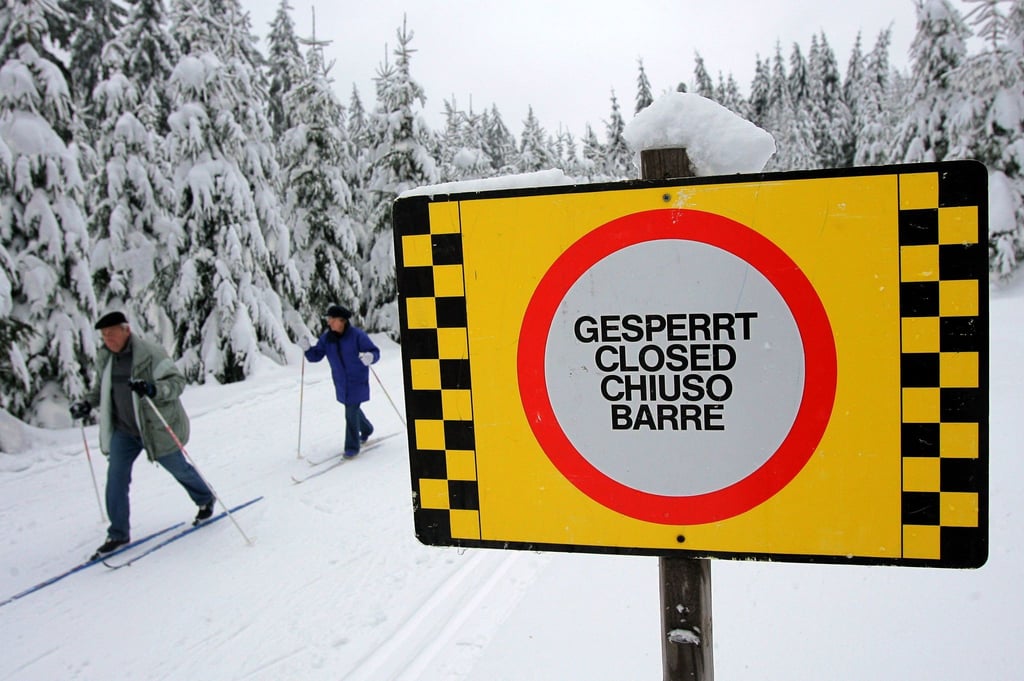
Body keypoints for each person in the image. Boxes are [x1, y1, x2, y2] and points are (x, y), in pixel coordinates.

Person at [69, 311, 215, 559]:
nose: (108, 340)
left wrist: (152, 389)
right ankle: (118, 533)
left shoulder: (150, 353)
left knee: (178, 468)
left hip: (154, 428)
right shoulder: (106, 358)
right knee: (116, 478)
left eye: (112, 333)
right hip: (124, 430)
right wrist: (86, 403)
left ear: (126, 330)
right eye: (104, 335)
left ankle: (205, 498)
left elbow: (177, 383)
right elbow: (101, 391)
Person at [300, 304, 380, 458]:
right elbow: (315, 357)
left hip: (357, 380)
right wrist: (307, 349)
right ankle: (367, 429)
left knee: (350, 411)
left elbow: (375, 351)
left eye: (332, 319)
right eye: (328, 319)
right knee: (352, 408)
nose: (329, 322)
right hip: (341, 382)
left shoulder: (357, 335)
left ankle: (352, 447)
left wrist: (371, 357)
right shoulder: (327, 338)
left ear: (342, 321)